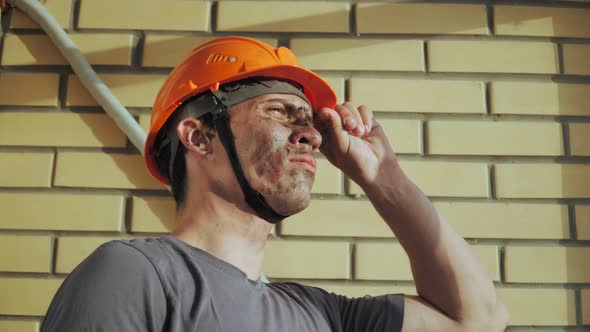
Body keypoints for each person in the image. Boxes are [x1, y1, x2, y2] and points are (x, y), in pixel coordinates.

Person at [41, 36, 509, 331]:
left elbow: (477, 318)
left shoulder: (323, 316)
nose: (310, 133)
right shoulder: (134, 275)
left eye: (310, 121)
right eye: (279, 112)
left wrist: (383, 177)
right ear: (199, 135)